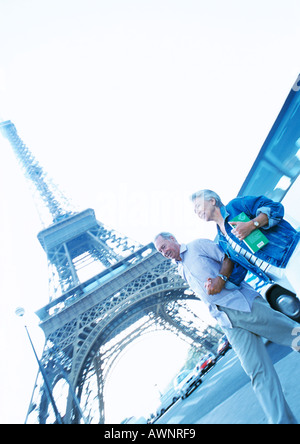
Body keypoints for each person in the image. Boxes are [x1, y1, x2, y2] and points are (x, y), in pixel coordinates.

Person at [154, 232, 299, 424]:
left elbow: (228, 257)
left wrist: (220, 279)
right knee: (257, 372)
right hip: (226, 322)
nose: (164, 252)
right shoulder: (180, 269)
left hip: (243, 305)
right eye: (160, 251)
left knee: (292, 334)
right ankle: (281, 421)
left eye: (164, 246)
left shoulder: (197, 245)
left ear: (172, 238)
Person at [190, 190, 300, 295]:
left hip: (290, 255)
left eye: (198, 206)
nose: (197, 212)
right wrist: (219, 282)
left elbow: (275, 208)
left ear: (212, 201)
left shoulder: (236, 206)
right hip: (275, 276)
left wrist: (252, 224)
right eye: (195, 211)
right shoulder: (222, 240)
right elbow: (239, 268)